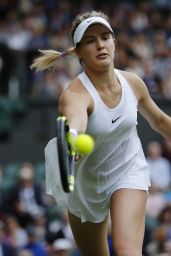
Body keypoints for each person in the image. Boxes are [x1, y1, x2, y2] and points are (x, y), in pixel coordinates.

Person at [31, 10, 171, 256]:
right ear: (78, 52)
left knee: (127, 251)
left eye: (105, 37)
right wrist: (72, 139)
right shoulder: (74, 94)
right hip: (86, 185)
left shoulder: (133, 82)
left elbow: (160, 121)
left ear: (114, 42)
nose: (100, 45)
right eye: (90, 41)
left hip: (128, 170)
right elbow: (75, 122)